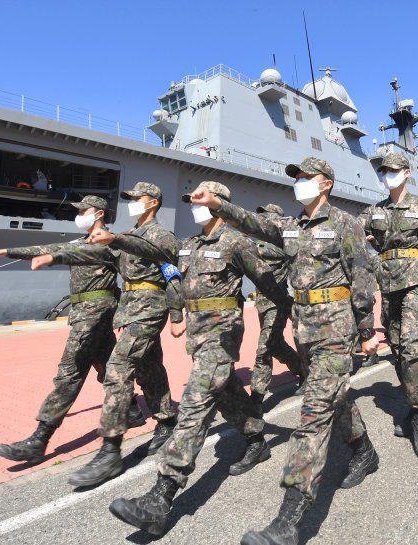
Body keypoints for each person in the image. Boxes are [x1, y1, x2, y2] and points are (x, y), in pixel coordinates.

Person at [189, 157, 379, 545]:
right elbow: (256, 224)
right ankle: (363, 449)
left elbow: (362, 278)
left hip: (336, 327)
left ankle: (289, 518)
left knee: (312, 415)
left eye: (306, 178)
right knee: (334, 397)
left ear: (325, 183)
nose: (299, 183)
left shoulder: (345, 224)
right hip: (305, 329)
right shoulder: (292, 227)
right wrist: (218, 205)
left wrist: (366, 330)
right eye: (297, 178)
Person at [109, 182, 292, 537]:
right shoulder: (188, 246)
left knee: (195, 402)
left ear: (220, 204)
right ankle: (256, 439)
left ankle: (161, 496)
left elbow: (268, 282)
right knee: (225, 392)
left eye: (200, 200)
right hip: (198, 333)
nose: (194, 206)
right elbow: (161, 261)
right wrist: (115, 240)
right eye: (191, 201)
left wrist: (287, 310)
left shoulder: (236, 242)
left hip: (223, 333)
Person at [31, 182, 182, 487]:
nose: (131, 204)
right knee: (149, 366)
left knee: (116, 370)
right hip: (129, 309)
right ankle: (166, 420)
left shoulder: (161, 236)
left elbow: (172, 274)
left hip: (151, 308)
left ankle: (110, 450)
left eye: (135, 199)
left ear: (152, 203)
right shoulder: (126, 236)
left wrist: (177, 315)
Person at [0, 195, 143, 464]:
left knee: (69, 373)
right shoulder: (78, 243)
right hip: (85, 313)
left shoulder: (109, 244)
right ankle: (132, 410)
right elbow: (50, 248)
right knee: (107, 365)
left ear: (99, 214)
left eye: (84, 210)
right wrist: (6, 251)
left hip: (94, 314)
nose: (79, 214)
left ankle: (40, 438)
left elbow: (64, 253)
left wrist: (52, 256)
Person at [357, 152, 418, 457]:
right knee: (399, 350)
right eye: (383, 170)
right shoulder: (374, 210)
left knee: (413, 348)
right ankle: (413, 407)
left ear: (406, 172)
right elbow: (349, 232)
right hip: (388, 288)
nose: (387, 174)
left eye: (392, 169)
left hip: (417, 284)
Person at [250, 203, 306, 409]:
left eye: (266, 217)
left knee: (264, 348)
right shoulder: (259, 243)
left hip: (278, 302)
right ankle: (300, 367)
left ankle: (256, 395)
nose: (262, 221)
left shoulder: (278, 244)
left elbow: (265, 252)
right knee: (275, 344)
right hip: (263, 303)